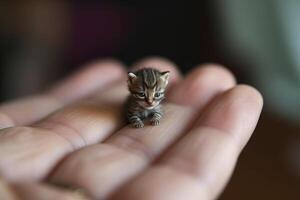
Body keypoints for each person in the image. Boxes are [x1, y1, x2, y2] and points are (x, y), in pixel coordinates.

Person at [0, 57, 263, 200]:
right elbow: (134, 112)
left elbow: (152, 108)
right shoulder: (132, 101)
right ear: (131, 86)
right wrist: (138, 118)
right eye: (143, 94)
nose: (150, 100)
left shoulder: (154, 97)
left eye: (156, 95)